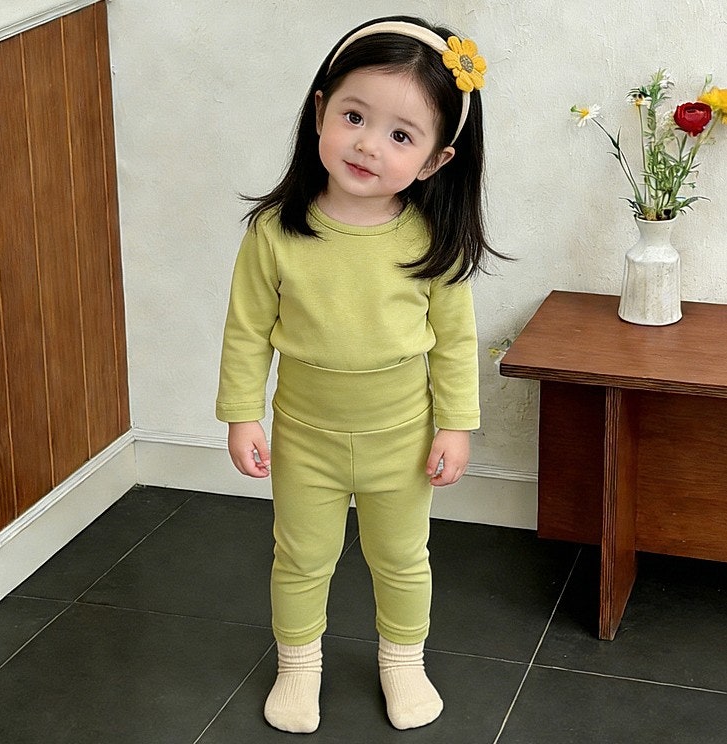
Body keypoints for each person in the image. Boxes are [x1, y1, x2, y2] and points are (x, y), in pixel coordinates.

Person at [216, 15, 499, 734]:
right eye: (353, 117)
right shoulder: (274, 233)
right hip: (303, 435)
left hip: (401, 439)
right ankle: (297, 665)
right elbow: (246, 332)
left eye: (401, 135)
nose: (369, 144)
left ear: (435, 160)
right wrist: (242, 414)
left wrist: (456, 426)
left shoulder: (430, 242)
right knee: (300, 557)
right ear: (320, 111)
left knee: (401, 558)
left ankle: (403, 661)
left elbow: (453, 342)